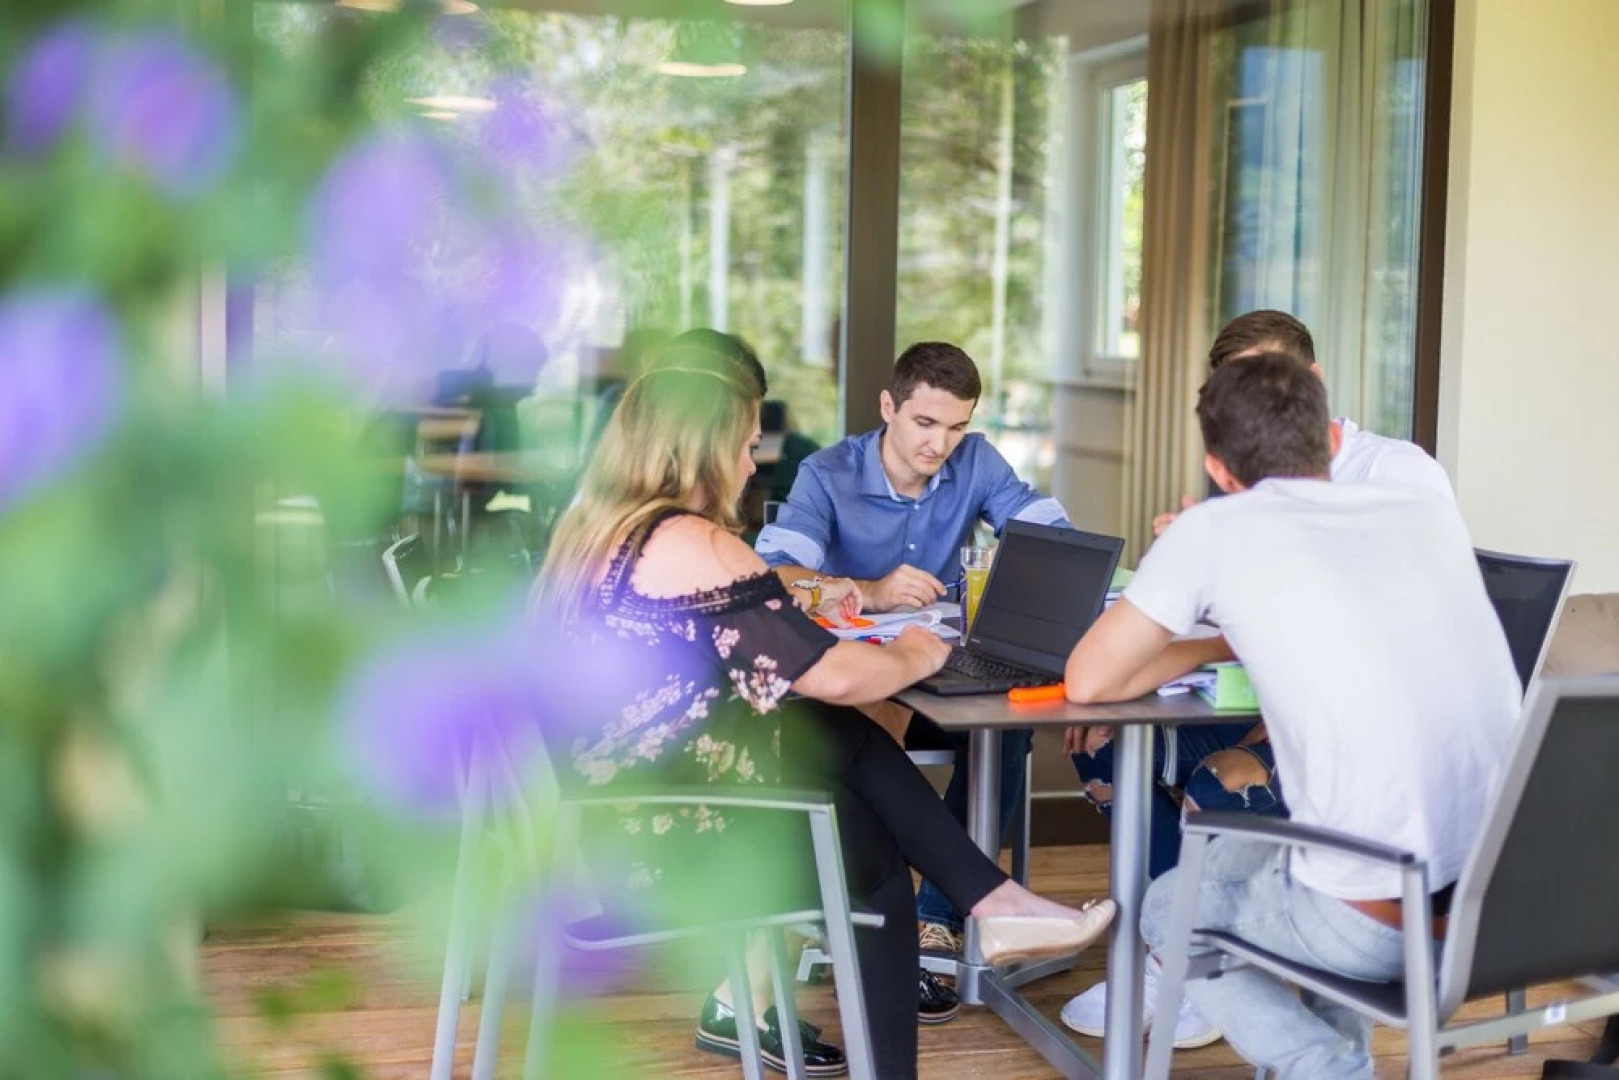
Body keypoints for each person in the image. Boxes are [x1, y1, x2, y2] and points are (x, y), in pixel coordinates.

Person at [531, 355, 1115, 1079]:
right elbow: (835, 675)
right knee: (870, 865)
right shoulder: (698, 544)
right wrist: (913, 653)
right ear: (704, 451)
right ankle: (978, 925)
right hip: (682, 840)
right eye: (746, 447)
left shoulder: (594, 530)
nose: (753, 467)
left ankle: (994, 902)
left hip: (621, 818)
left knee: (836, 739)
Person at [1061, 354, 1518, 1079]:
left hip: (1372, 923)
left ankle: (1327, 1067)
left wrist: (1210, 616)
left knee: (1168, 903)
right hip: (1504, 906)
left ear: (1216, 469)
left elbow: (1087, 681)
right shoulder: (1423, 510)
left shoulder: (1215, 533)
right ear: (1330, 442)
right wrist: (1230, 624)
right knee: (1301, 849)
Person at [754, 341, 1068, 983]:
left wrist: (1039, 554)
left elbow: (1055, 535)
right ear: (888, 407)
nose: (940, 444)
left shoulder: (976, 461)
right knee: (866, 731)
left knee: (1006, 732)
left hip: (937, 670)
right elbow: (775, 577)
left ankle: (935, 916)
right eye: (925, 423)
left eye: (956, 426)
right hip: (858, 681)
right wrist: (868, 592)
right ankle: (863, 906)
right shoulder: (827, 472)